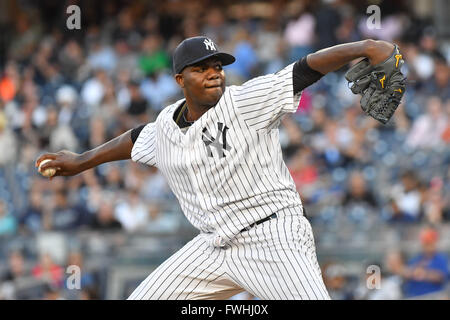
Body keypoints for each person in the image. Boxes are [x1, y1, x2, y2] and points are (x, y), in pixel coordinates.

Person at [36, 36, 398, 300]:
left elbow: (301, 71)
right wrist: (82, 161)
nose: (214, 74)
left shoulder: (242, 103)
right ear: (180, 80)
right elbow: (135, 139)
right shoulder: (165, 126)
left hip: (272, 237)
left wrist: (364, 47)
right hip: (213, 245)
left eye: (217, 67)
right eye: (201, 69)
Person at [400, 227, 449, 298]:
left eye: (429, 243)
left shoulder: (440, 258)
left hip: (433, 295)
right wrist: (409, 272)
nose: (427, 246)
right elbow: (407, 272)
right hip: (413, 295)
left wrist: (424, 274)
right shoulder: (417, 258)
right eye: (425, 243)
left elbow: (441, 277)